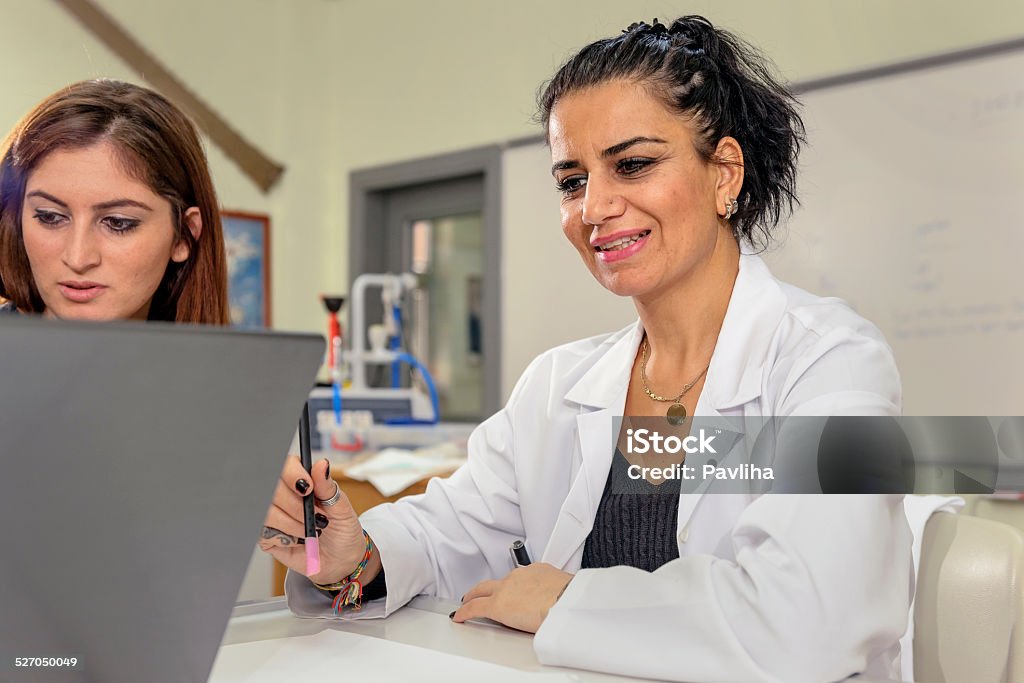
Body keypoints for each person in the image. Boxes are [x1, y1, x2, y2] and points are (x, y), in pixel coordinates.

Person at [262, 16, 912, 682]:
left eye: (632, 164)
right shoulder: (558, 384)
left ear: (724, 173)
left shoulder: (829, 362)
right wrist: (354, 556)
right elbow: (447, 530)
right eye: (571, 181)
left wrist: (568, 598)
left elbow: (804, 621)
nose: (594, 206)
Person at [0, 79, 229, 324]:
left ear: (184, 236)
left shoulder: (227, 362)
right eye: (50, 216)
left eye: (118, 223)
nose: (78, 258)